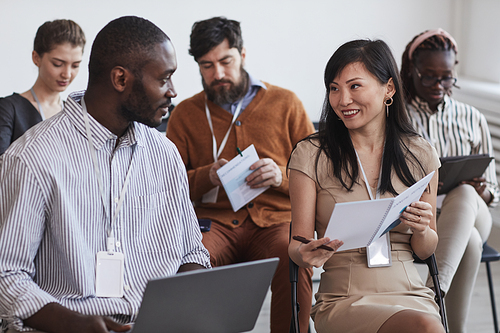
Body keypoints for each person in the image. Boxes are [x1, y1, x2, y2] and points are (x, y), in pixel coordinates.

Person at [0, 16, 211, 333]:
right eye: (164, 78)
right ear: (121, 79)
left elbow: (191, 252)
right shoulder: (32, 157)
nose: (173, 91)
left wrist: (192, 305)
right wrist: (75, 324)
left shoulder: (163, 153)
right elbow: (8, 276)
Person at [166, 16, 315, 333]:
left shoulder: (286, 104)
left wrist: (280, 178)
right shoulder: (184, 114)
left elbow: (319, 180)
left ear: (243, 54)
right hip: (214, 224)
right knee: (191, 263)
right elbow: (167, 186)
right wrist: (209, 176)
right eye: (206, 66)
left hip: (276, 222)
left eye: (225, 61)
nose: (217, 74)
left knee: (295, 257)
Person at [288, 39, 445, 333]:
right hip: (345, 297)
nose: (342, 99)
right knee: (426, 328)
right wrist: (306, 253)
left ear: (389, 89)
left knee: (424, 323)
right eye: (334, 88)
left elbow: (425, 250)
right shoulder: (310, 154)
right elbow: (297, 247)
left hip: (408, 290)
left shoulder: (420, 153)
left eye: (354, 86)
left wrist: (423, 229)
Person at [400, 28, 499, 333]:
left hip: (471, 211)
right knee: (468, 243)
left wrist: (483, 192)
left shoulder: (472, 118)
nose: (439, 85)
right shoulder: (397, 118)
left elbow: (494, 187)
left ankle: (432, 291)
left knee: (468, 193)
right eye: (429, 76)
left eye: (447, 77)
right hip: (421, 222)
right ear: (411, 71)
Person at [0, 19, 85, 155]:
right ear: (36, 58)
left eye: (75, 65)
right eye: (58, 64)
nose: (67, 74)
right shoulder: (9, 110)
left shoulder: (76, 114)